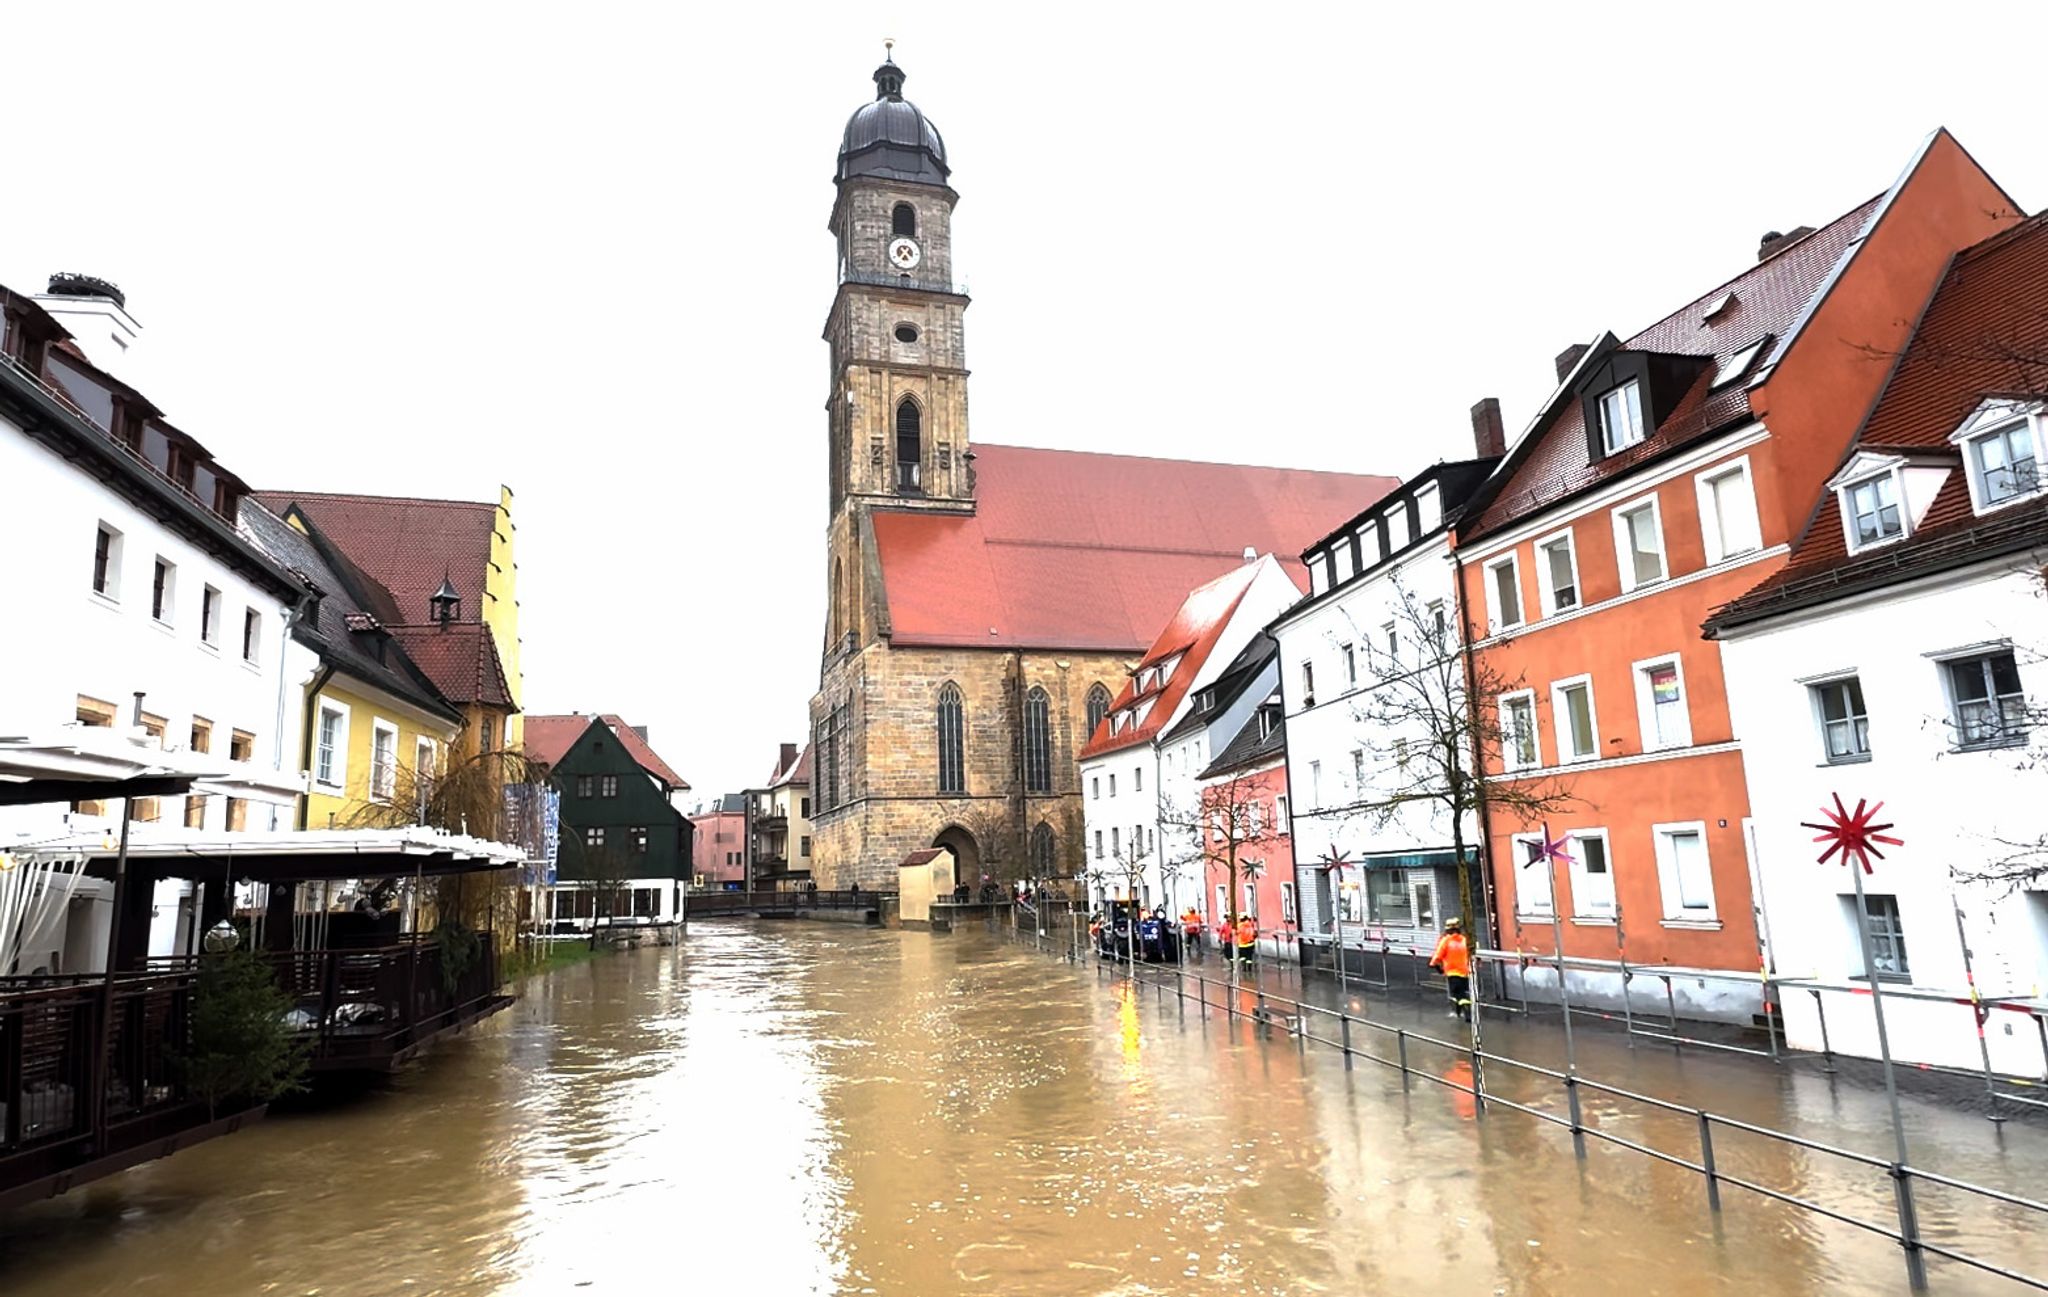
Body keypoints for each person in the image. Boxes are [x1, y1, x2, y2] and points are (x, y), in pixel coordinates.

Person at [1430, 917, 1473, 1022]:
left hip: (1453, 972)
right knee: (1459, 993)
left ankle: (1468, 1014)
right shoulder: (1465, 940)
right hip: (1465, 972)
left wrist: (1436, 967)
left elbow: (1437, 956)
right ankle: (1458, 1013)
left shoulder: (1446, 941)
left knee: (1459, 995)